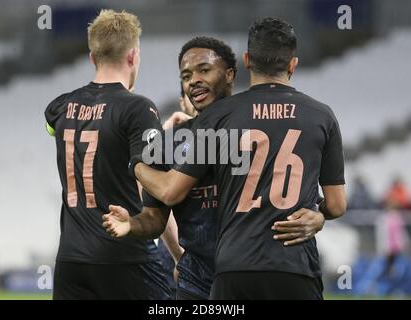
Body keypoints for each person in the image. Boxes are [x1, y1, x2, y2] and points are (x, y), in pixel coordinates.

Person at [104, 34, 328, 299]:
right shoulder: (168, 144)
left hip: (253, 276)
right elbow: (155, 218)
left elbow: (297, 199)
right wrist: (132, 224)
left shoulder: (258, 132)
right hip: (195, 283)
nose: (193, 80)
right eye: (186, 76)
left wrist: (318, 215)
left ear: (231, 75)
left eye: (204, 70)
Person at [44, 9, 170, 300]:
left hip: (70, 261)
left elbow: (56, 127)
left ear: (92, 57)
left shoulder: (59, 107)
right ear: (133, 56)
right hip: (125, 259)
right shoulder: (137, 109)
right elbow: (157, 183)